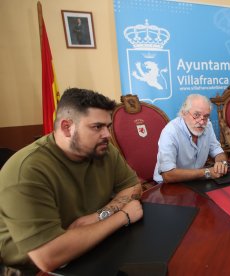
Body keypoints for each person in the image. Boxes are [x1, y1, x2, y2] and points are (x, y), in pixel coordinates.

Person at [0, 88, 143, 273]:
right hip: (30, 269)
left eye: (107, 126)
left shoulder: (103, 149)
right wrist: (122, 217)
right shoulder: (26, 171)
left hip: (90, 246)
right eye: (97, 127)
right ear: (67, 127)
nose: (107, 135)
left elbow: (132, 186)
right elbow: (49, 256)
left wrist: (98, 216)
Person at [153, 94, 228, 183]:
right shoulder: (170, 131)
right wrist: (206, 172)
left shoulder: (207, 125)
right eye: (196, 115)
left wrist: (221, 163)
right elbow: (168, 175)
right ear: (184, 113)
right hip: (168, 185)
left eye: (206, 116)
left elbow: (217, 151)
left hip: (196, 180)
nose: (201, 121)